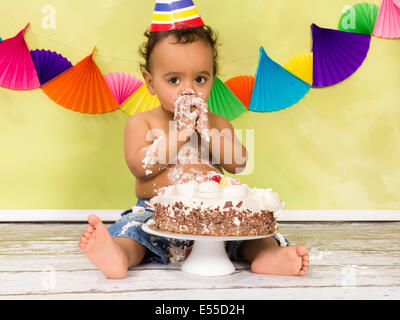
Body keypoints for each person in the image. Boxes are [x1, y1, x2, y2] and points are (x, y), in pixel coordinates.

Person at [78, 23, 309, 279]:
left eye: (200, 79)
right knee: (134, 233)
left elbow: (239, 163)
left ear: (212, 78)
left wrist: (209, 131)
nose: (188, 90)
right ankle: (118, 255)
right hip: (157, 213)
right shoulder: (143, 122)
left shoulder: (217, 123)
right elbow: (139, 165)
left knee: (251, 236)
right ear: (150, 82)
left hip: (216, 217)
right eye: (173, 80)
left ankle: (268, 256)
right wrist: (180, 134)